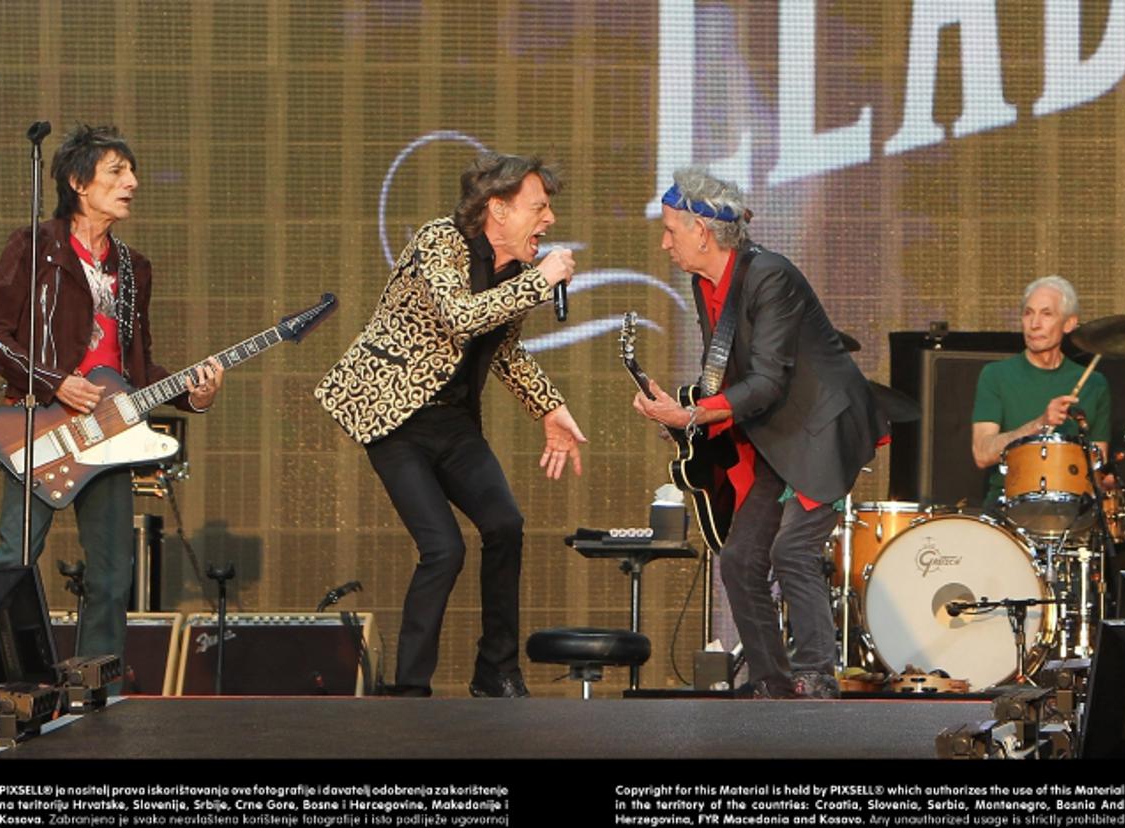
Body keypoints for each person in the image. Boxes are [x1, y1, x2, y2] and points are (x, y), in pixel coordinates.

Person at [316, 152, 586, 698]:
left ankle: (496, 671)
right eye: (539, 207)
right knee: (443, 547)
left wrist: (549, 409)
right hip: (397, 416)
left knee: (505, 524)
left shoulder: (512, 271)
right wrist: (542, 280)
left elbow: (501, 348)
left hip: (455, 422)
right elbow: (460, 314)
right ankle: (410, 689)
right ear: (498, 210)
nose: (549, 220)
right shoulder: (439, 239)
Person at [0, 124, 223, 671]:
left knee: (113, 574)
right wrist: (54, 381)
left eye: (131, 171)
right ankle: (6, 678)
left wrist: (193, 394)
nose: (132, 182)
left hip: (108, 434)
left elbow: (138, 367)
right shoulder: (35, 247)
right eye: (117, 171)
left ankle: (97, 689)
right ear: (77, 182)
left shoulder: (133, 268)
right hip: (40, 428)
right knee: (16, 559)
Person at [632, 167, 887, 699]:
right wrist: (683, 417)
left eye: (670, 229)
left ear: (702, 231)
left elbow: (768, 379)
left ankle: (816, 674)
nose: (664, 242)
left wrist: (697, 417)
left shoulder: (772, 275)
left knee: (792, 551)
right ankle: (772, 681)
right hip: (773, 434)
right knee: (741, 558)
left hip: (822, 429)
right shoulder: (704, 281)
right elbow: (722, 370)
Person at [971, 275, 1111, 506]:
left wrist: (1108, 479)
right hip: (1007, 509)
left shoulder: (1094, 383)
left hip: (1073, 514)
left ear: (1069, 323)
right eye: (1028, 313)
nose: (1034, 324)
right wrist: (1040, 424)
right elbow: (982, 454)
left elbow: (1099, 466)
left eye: (1046, 314)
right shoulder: (995, 375)